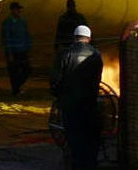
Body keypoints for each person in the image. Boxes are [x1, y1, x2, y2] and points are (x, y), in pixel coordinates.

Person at [51, 25, 103, 170]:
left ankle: (77, 163)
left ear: (74, 38)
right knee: (90, 135)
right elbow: (97, 79)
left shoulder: (65, 54)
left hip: (70, 103)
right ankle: (90, 163)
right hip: (90, 103)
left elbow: (55, 79)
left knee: (74, 135)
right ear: (89, 38)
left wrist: (57, 95)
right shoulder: (96, 55)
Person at [1, 1, 33, 95]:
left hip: (23, 51)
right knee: (14, 71)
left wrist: (29, 48)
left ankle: (17, 86)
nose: (19, 10)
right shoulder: (7, 22)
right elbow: (6, 38)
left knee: (27, 70)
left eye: (20, 9)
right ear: (12, 10)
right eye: (17, 9)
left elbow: (27, 34)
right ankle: (16, 90)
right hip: (13, 52)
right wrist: (9, 52)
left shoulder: (22, 21)